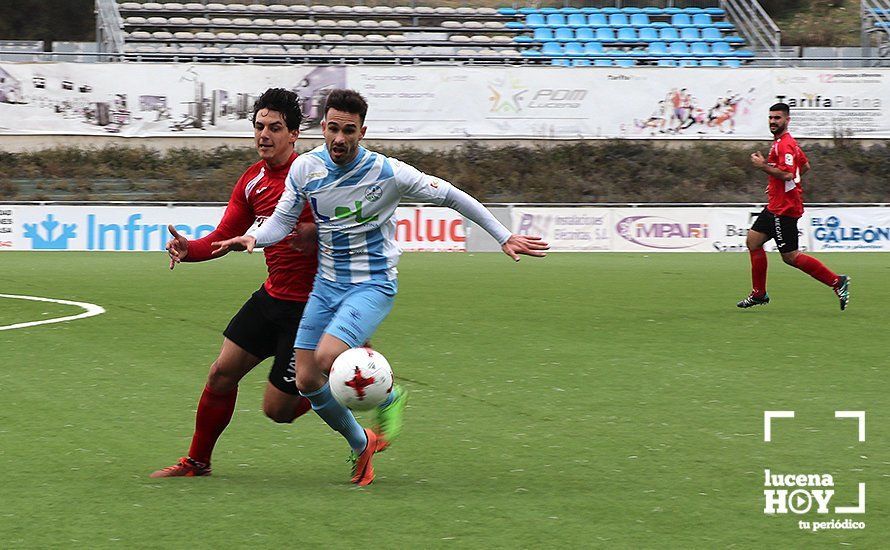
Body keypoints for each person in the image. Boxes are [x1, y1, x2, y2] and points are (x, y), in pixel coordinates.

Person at [212, 89, 549, 486]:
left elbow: (452, 197)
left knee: (326, 357)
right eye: (333, 128)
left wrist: (503, 235)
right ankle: (362, 443)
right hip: (326, 285)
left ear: (362, 132)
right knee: (305, 381)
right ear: (323, 128)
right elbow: (282, 221)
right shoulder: (306, 169)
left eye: (349, 131)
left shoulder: (388, 173)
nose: (340, 138)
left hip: (371, 285)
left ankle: (384, 394)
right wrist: (256, 238)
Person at [150, 88, 319, 478]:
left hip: (311, 307)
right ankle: (197, 461)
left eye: (274, 128)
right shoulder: (251, 181)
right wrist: (187, 249)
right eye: (259, 126)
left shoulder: (315, 175)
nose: (264, 135)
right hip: (273, 297)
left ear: (294, 134)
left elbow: (347, 226)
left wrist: (314, 231)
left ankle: (330, 380)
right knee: (220, 374)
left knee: (277, 412)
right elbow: (224, 236)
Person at [737, 102, 850, 310]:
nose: (773, 121)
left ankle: (837, 282)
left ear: (787, 120)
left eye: (777, 118)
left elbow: (789, 173)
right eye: (771, 117)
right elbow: (804, 166)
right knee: (753, 241)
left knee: (791, 257)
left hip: (784, 209)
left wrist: (764, 167)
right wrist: (780, 186)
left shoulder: (785, 144)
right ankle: (759, 293)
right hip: (775, 204)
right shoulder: (786, 143)